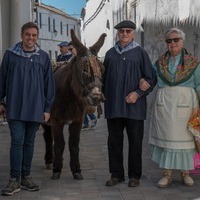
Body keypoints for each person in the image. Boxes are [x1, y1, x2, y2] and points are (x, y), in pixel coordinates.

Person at [0, 22, 55, 196]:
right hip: (14, 107)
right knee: (17, 141)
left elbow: (49, 86)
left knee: (29, 143)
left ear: (36, 37)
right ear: (22, 35)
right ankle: (14, 179)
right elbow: (1, 80)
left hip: (36, 108)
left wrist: (47, 108)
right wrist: (0, 101)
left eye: (33, 35)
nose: (30, 38)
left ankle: (26, 177)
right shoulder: (10, 55)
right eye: (27, 35)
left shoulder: (43, 57)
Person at [102, 20, 156, 187]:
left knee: (135, 142)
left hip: (135, 108)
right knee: (114, 143)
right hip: (114, 107)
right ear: (117, 32)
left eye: (128, 31)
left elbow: (150, 79)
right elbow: (103, 81)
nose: (124, 33)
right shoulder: (110, 54)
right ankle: (116, 175)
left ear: (133, 33)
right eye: (121, 31)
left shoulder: (140, 53)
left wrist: (138, 93)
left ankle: (135, 176)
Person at [149, 27, 200, 188]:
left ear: (182, 41)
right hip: (164, 105)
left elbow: (199, 84)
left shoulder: (194, 62)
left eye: (176, 40)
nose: (172, 43)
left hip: (186, 105)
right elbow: (151, 80)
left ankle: (185, 173)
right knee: (167, 139)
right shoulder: (159, 62)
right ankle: (167, 174)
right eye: (169, 41)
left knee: (186, 140)